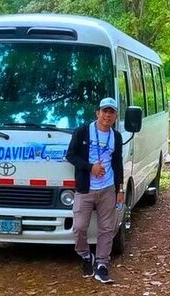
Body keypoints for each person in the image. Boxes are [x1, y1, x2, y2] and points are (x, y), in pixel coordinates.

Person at [65, 97, 125, 284]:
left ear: (115, 116)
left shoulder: (116, 136)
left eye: (111, 112)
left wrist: (120, 188)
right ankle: (85, 256)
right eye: (104, 111)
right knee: (80, 226)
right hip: (85, 188)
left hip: (107, 188)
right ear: (97, 113)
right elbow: (71, 155)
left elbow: (117, 163)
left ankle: (102, 265)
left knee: (107, 228)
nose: (107, 115)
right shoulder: (83, 132)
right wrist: (90, 167)